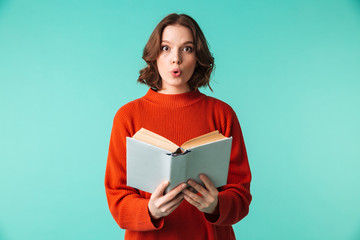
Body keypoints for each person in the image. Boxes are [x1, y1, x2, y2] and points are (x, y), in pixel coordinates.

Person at [105, 13, 252, 240]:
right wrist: (150, 211)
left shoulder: (222, 114)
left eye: (187, 49)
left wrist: (216, 205)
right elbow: (117, 198)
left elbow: (241, 196)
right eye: (166, 48)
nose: (176, 59)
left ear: (198, 56)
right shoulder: (128, 116)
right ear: (154, 55)